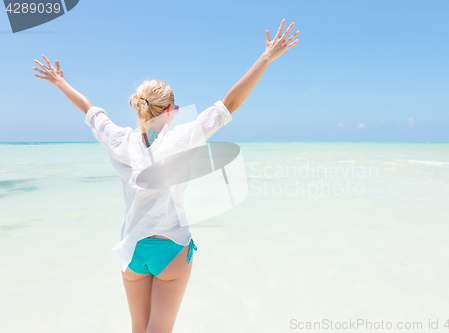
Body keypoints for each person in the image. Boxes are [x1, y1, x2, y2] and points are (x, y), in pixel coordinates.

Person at [32, 19, 299, 333]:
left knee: (138, 329)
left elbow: (90, 110)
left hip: (132, 252)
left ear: (139, 108)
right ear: (171, 109)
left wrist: (59, 82)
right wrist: (265, 57)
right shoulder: (183, 137)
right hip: (170, 249)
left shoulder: (119, 140)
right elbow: (230, 104)